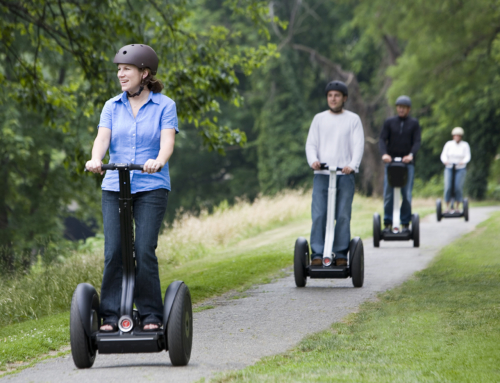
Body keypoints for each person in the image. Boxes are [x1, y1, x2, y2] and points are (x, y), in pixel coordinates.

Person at [85, 44, 178, 332]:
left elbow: (167, 143)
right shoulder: (111, 106)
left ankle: (151, 314)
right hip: (114, 186)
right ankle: (110, 316)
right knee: (115, 251)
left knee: (143, 249)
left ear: (144, 72)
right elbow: (102, 139)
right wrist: (96, 159)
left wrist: (158, 161)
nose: (121, 74)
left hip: (151, 186)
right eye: (119, 70)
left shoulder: (165, 105)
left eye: (126, 69)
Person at [306, 80, 364, 266]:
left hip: (344, 175)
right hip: (322, 175)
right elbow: (311, 144)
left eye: (337, 95)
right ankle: (317, 253)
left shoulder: (353, 119)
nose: (333, 99)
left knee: (343, 215)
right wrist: (313, 161)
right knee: (319, 215)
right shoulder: (319, 119)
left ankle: (340, 254)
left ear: (344, 98)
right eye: (330, 95)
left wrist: (352, 165)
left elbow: (358, 145)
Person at [379, 95, 421, 233]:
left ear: (408, 109)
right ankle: (387, 223)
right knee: (388, 193)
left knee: (406, 194)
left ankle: (405, 223)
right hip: (391, 163)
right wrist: (384, 154)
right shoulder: (389, 122)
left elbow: (417, 142)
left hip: (407, 164)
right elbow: (382, 139)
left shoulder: (414, 123)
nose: (401, 110)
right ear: (396, 108)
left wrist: (410, 155)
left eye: (404, 107)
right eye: (399, 107)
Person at [440, 127, 471, 212]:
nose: (457, 137)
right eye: (455, 135)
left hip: (460, 168)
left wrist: (463, 162)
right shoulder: (449, 144)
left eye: (459, 136)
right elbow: (443, 155)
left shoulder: (465, 145)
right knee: (448, 187)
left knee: (458, 187)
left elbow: (467, 156)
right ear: (453, 136)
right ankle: (447, 207)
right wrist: (445, 161)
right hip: (449, 167)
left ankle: (457, 207)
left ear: (461, 136)